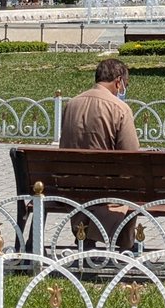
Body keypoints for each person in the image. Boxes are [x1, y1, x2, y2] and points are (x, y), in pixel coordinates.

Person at [59, 59, 139, 248]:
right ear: (118, 82)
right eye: (125, 85)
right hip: (106, 188)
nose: (123, 90)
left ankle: (85, 235)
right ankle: (125, 243)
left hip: (72, 187)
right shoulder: (119, 108)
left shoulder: (71, 104)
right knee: (132, 185)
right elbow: (132, 156)